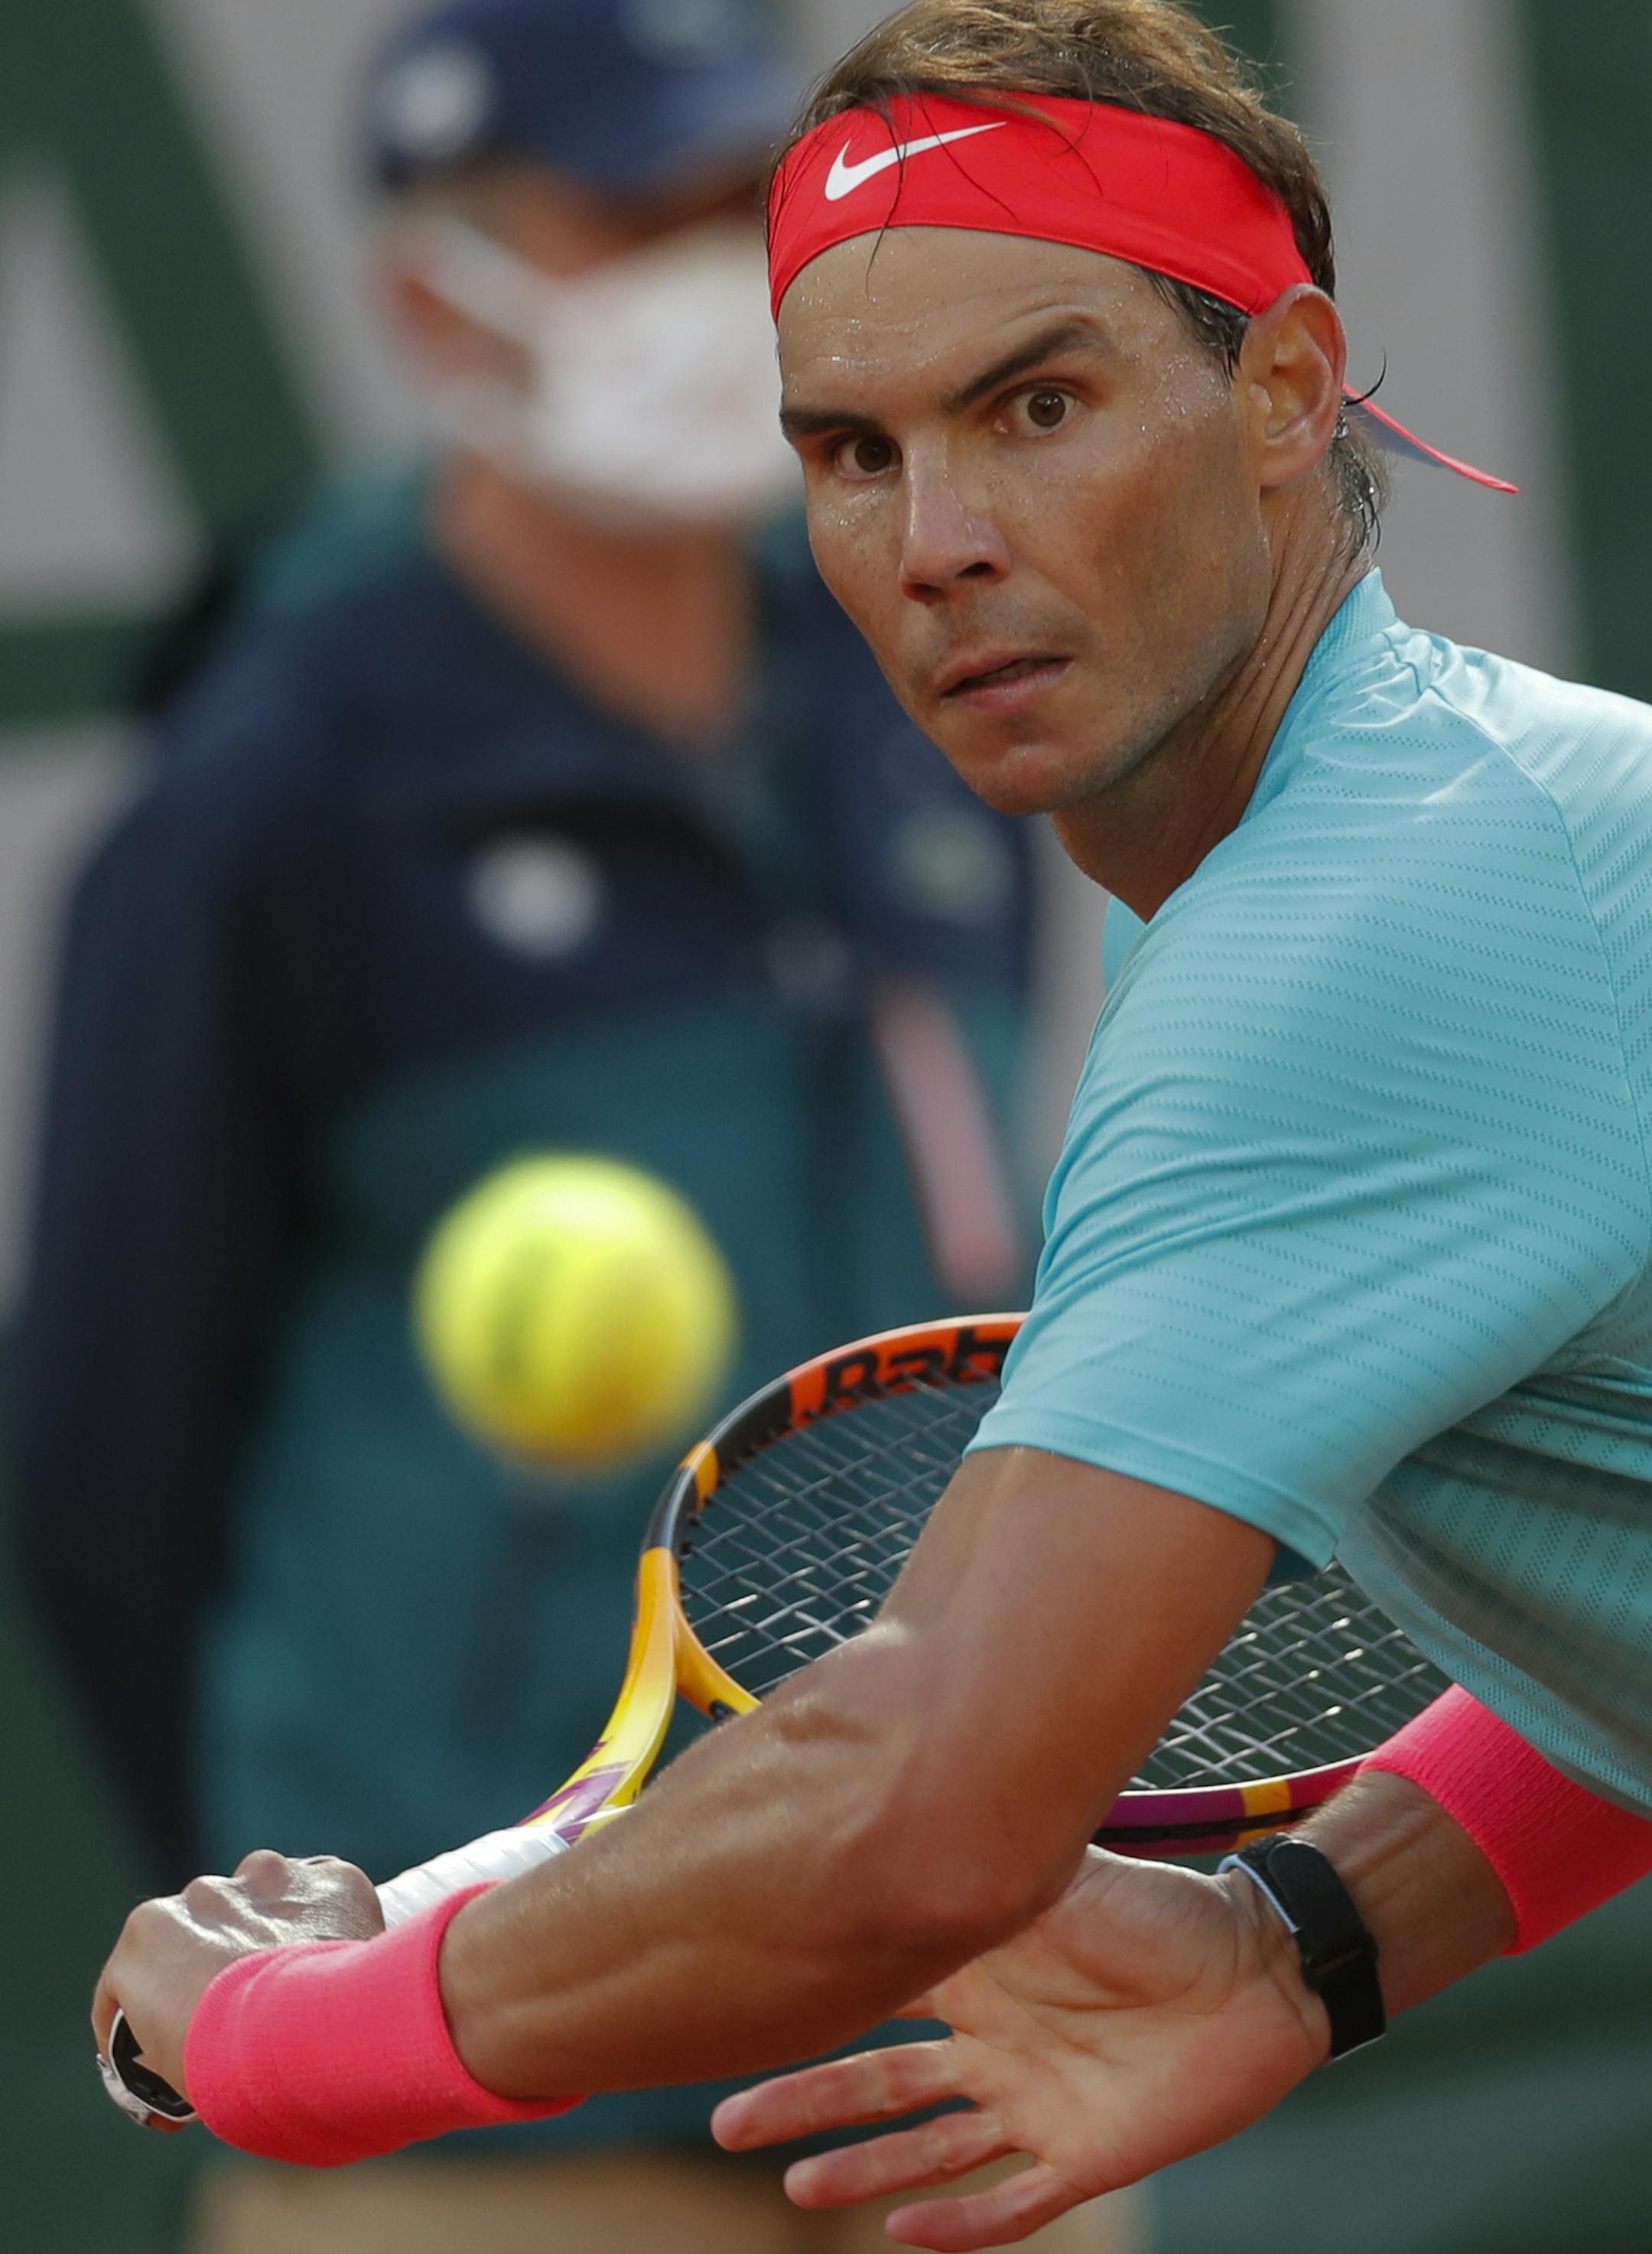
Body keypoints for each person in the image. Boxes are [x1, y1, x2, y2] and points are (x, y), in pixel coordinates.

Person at [88, 1, 1652, 2246]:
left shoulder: (1358, 944)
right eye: (850, 451)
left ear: (1291, 387)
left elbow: (924, 1806)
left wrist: (279, 2036)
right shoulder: (1475, 817)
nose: (938, 540)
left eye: (1039, 406)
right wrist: (1319, 1932)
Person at [16, 2, 1055, 2249]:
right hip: (481, 2126)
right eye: (637, 218)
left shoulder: (920, 685)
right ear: (432, 290)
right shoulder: (266, 799)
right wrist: (360, 1907)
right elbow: (107, 1450)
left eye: (740, 215)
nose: (715, 283)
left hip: (958, 2055)